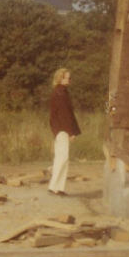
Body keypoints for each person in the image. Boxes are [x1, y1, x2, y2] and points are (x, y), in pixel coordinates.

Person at [48, 68, 81, 196]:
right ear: (59, 78)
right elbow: (64, 115)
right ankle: (55, 187)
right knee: (63, 157)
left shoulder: (61, 92)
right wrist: (70, 132)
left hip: (59, 129)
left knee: (60, 158)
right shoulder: (60, 93)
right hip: (62, 129)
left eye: (69, 77)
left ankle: (56, 187)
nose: (68, 79)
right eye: (66, 77)